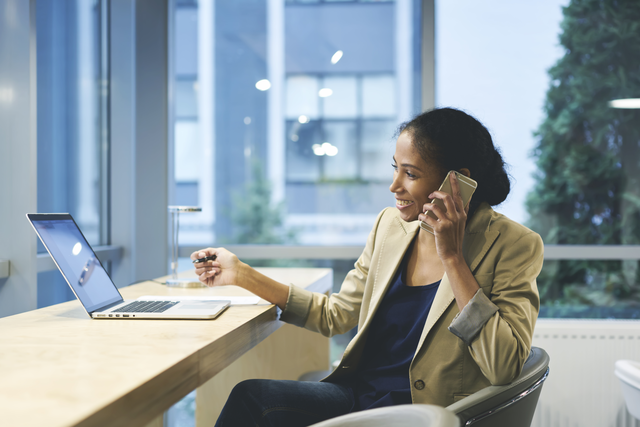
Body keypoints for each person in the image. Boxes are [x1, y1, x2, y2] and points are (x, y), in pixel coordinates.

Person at [192, 107, 544, 427]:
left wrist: (452, 258)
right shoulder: (390, 226)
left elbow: (504, 365)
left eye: (410, 174)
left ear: (457, 180)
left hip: (424, 414)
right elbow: (335, 315)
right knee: (253, 398)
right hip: (360, 398)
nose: (394, 186)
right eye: (396, 169)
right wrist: (241, 274)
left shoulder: (513, 245)